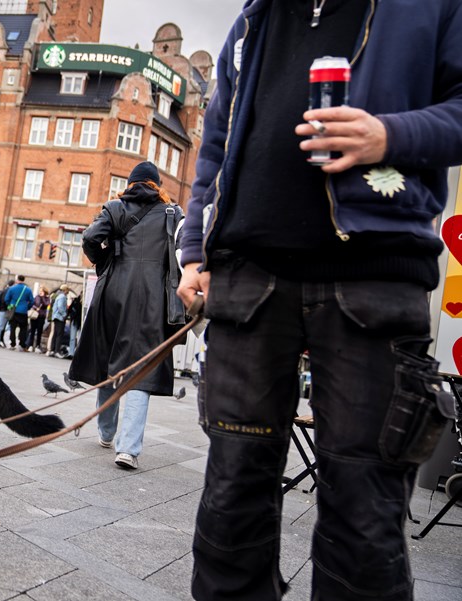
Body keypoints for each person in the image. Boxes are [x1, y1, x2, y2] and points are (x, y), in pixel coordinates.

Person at [176, 2, 462, 599]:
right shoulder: (254, 19)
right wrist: (196, 249)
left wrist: (390, 134)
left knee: (364, 513)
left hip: (375, 276)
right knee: (230, 499)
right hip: (248, 279)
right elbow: (215, 145)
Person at [70, 162, 182, 470]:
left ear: (131, 183)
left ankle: (106, 431)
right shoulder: (173, 214)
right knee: (140, 369)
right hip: (152, 300)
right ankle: (128, 449)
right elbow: (185, 252)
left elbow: (91, 237)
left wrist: (105, 261)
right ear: (157, 185)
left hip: (113, 293)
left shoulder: (115, 207)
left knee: (109, 360)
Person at [2, 275, 32, 350]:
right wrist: (27, 307)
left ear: (17, 280)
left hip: (14, 310)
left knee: (13, 328)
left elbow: (6, 299)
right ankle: (22, 344)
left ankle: (12, 344)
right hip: (23, 311)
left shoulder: (12, 288)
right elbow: (32, 301)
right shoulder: (28, 290)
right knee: (23, 328)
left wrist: (10, 305)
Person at [24, 287, 49, 352]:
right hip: (35, 316)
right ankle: (30, 345)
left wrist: (43, 297)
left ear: (45, 292)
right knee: (32, 331)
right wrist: (35, 308)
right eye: (40, 291)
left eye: (42, 291)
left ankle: (37, 346)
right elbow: (33, 304)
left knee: (39, 332)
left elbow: (46, 304)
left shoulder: (47, 298)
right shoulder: (36, 297)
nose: (40, 292)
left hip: (41, 316)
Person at [47, 285, 69, 357]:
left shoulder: (58, 296)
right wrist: (64, 314)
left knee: (55, 334)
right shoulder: (62, 297)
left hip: (55, 317)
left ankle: (53, 350)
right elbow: (60, 307)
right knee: (59, 334)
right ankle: (57, 351)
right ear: (65, 290)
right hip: (59, 317)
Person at [0, 278, 14, 347]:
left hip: (2, 310)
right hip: (4, 310)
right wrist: (9, 306)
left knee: (2, 327)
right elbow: (5, 301)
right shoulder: (8, 291)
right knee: (1, 327)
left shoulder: (5, 290)